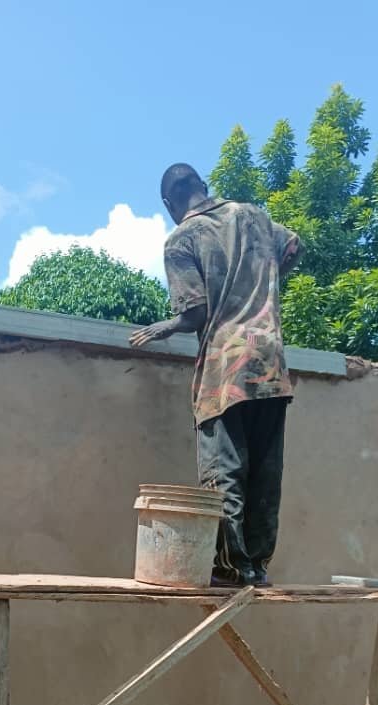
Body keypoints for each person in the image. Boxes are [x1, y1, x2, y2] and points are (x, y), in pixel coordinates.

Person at [129, 163, 302, 587]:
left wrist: (163, 327)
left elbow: (195, 312)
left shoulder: (182, 239)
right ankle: (258, 567)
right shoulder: (255, 216)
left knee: (224, 469)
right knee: (266, 469)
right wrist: (262, 290)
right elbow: (293, 247)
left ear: (169, 203)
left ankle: (230, 567)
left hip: (226, 368)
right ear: (203, 186)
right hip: (271, 363)